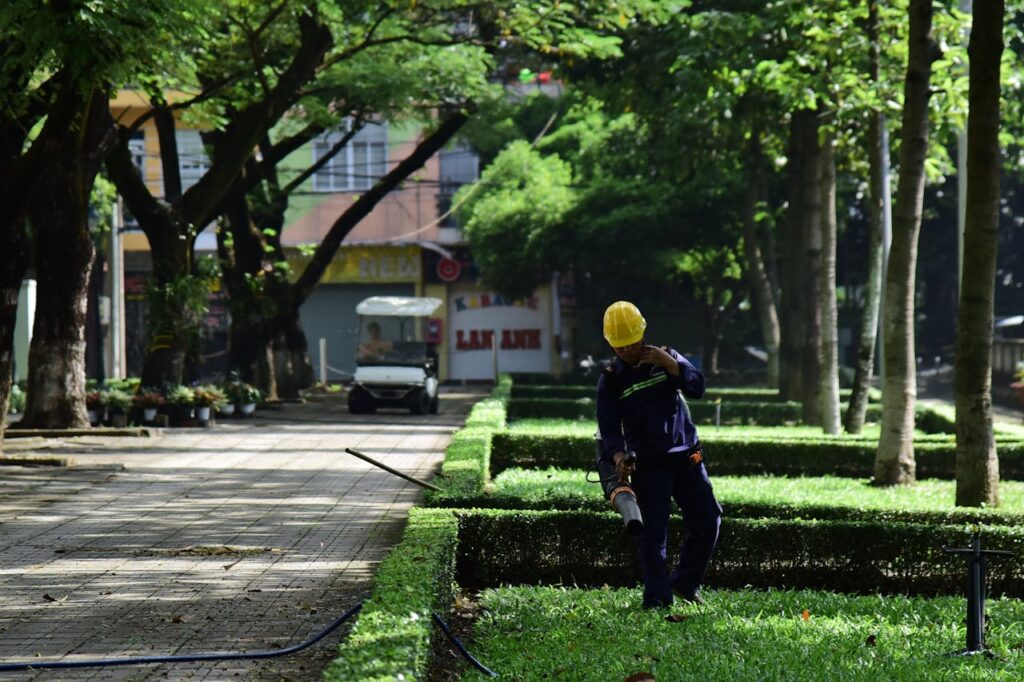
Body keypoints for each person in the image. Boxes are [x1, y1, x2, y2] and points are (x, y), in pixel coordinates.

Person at [596, 300, 722, 609]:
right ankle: (657, 599)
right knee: (653, 537)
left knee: (709, 520)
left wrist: (671, 365)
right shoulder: (611, 379)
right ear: (612, 344)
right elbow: (609, 429)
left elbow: (697, 388)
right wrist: (617, 457)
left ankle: (685, 583)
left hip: (687, 459)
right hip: (649, 466)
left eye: (633, 343)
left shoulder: (667, 357)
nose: (628, 351)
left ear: (643, 334)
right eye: (621, 347)